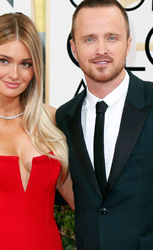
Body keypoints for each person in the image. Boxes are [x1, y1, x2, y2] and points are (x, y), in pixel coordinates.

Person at [0, 12, 74, 250]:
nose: (14, 74)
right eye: (4, 60)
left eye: (25, 64)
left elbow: (83, 201)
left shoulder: (51, 120)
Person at [56, 0, 153, 249]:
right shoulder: (64, 118)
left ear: (128, 44)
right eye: (89, 39)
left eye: (112, 38)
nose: (101, 50)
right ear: (74, 48)